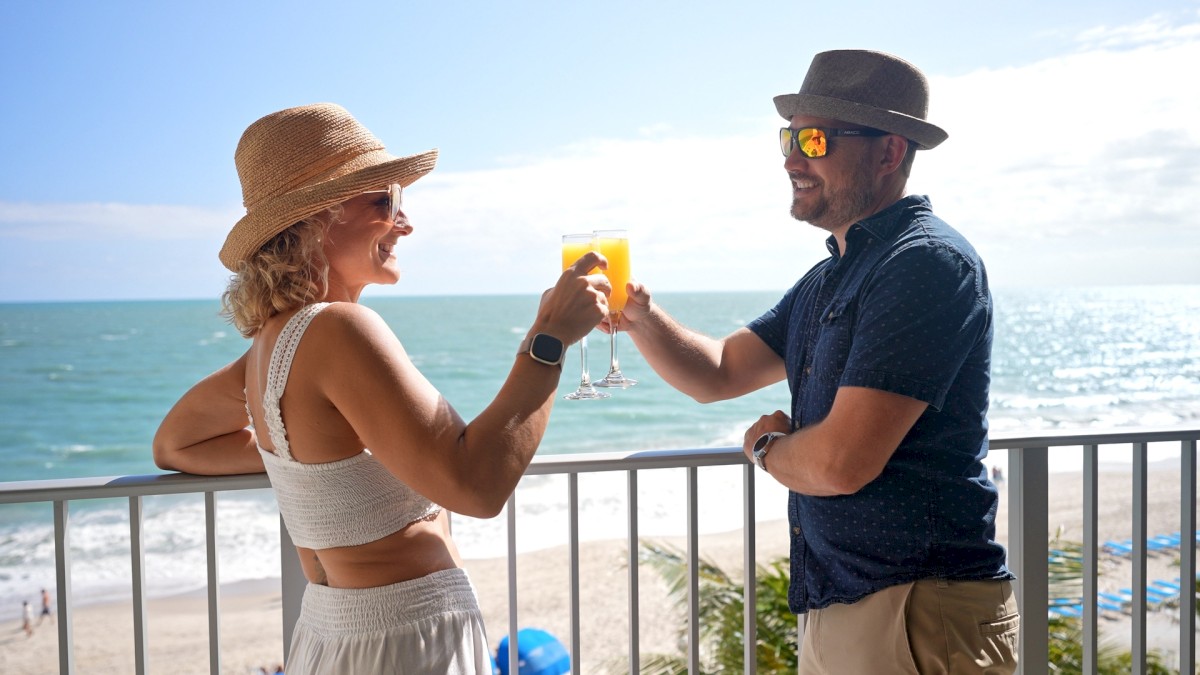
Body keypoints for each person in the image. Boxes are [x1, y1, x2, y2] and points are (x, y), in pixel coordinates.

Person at [153, 103, 609, 674]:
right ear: (317, 218)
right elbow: (477, 487)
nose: (405, 222)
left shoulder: (277, 345)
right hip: (404, 642)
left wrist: (318, 473)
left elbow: (177, 445)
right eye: (384, 201)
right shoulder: (338, 329)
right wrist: (550, 339)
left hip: (339, 635)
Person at [617, 50, 1019, 673]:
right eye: (789, 137)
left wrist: (767, 448)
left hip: (917, 609)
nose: (790, 159)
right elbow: (720, 370)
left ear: (888, 152)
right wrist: (640, 314)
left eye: (815, 139)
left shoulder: (924, 264)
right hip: (855, 605)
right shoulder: (832, 276)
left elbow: (840, 463)